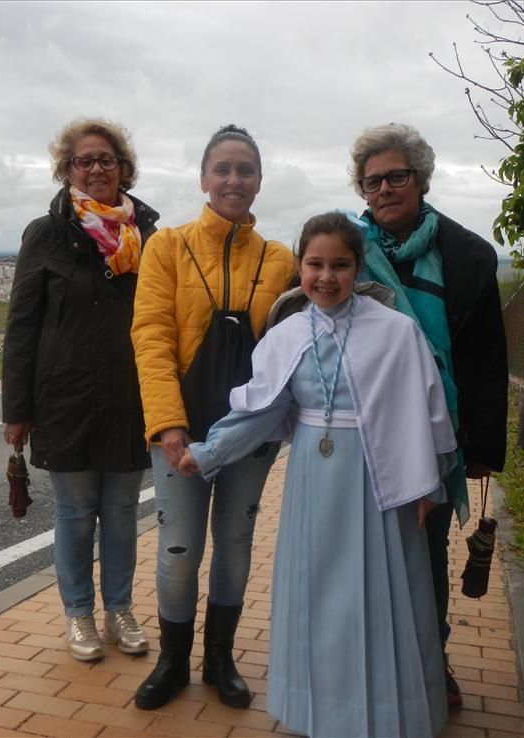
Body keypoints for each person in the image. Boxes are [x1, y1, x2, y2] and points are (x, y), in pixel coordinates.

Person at [179, 211, 456, 738]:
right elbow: (259, 410)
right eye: (315, 264)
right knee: (317, 595)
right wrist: (208, 452)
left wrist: (428, 483)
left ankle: (385, 713)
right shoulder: (287, 335)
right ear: (300, 266)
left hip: (380, 480)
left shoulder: (396, 331)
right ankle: (318, 712)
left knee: (377, 595)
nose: (325, 277)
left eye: (340, 265)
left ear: (358, 269)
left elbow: (425, 410)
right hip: (313, 478)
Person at [131, 124, 296, 711]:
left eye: (245, 170)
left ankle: (219, 658)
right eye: (222, 169)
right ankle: (174, 660)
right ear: (203, 179)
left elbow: (299, 341)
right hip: (181, 430)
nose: (233, 179)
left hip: (249, 434)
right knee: (177, 548)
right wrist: (168, 425)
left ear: (258, 182)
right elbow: (150, 336)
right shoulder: (167, 247)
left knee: (234, 542)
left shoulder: (281, 259)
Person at [348, 123, 509, 708]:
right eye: (373, 181)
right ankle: (364, 657)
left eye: (397, 176)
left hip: (435, 434)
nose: (385, 188)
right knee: (364, 551)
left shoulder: (465, 256)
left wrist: (487, 444)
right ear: (362, 190)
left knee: (426, 549)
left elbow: (488, 355)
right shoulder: (346, 248)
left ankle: (430, 656)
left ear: (420, 179)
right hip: (359, 431)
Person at [1, 118, 159, 663]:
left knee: (120, 510)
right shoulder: (46, 234)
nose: (95, 169)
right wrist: (17, 410)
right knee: (73, 513)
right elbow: (22, 325)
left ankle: (119, 609)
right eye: (83, 161)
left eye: (105, 160)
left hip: (131, 395)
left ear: (124, 169)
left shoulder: (149, 233)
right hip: (63, 396)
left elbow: (165, 320)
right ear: (67, 170)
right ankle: (78, 616)